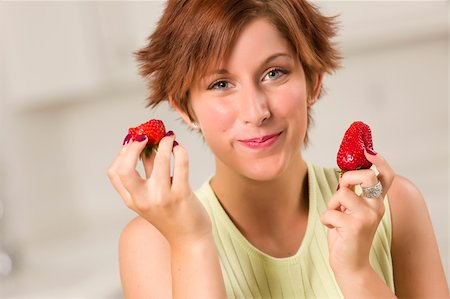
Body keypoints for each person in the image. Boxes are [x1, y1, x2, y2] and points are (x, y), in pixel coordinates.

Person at [107, 0, 449, 298]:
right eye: (221, 84)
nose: (256, 112)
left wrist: (357, 273)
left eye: (274, 73)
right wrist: (192, 243)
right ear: (185, 108)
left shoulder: (395, 205)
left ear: (313, 81)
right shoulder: (152, 244)